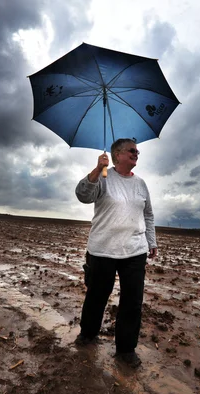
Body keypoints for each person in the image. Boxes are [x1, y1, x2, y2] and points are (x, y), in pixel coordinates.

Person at [74, 138, 157, 368]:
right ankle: (88, 335)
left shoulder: (141, 184)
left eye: (137, 151)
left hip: (134, 252)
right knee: (96, 297)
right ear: (117, 154)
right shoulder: (103, 177)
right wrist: (97, 169)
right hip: (102, 250)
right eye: (132, 150)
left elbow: (148, 214)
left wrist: (151, 240)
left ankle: (126, 350)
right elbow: (82, 195)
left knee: (132, 303)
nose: (137, 154)